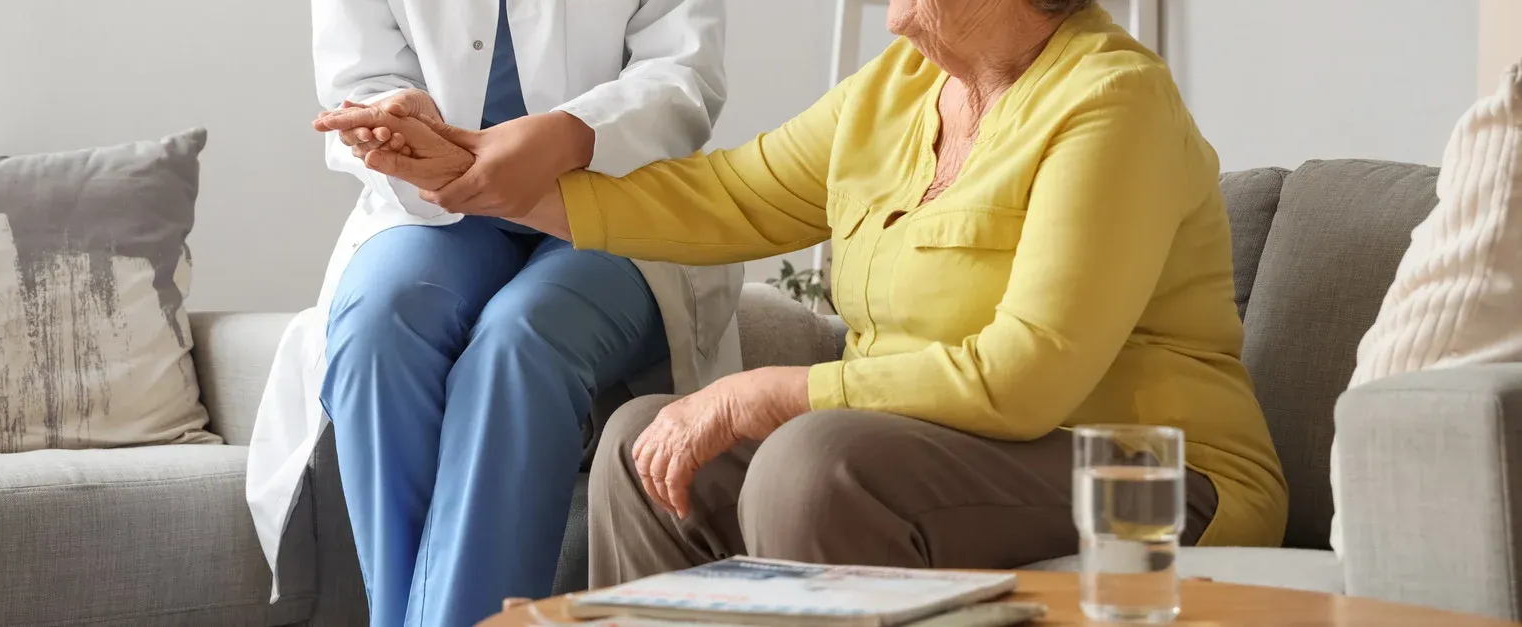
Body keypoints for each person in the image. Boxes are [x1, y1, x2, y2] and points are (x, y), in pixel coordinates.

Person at [344, 0, 1289, 584]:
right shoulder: (900, 89)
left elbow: (1026, 374)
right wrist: (497, 177)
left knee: (814, 460)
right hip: (938, 453)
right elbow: (727, 196)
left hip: (1156, 479)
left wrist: (774, 391)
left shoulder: (1110, 103)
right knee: (644, 445)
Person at [244, 1, 740, 625]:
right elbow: (361, 78)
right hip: (436, 197)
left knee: (523, 340)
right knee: (379, 323)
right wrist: (400, 118)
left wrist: (566, 133)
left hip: (619, 195)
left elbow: (684, 74)